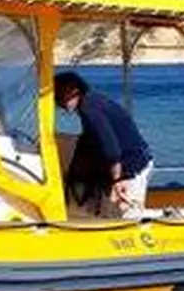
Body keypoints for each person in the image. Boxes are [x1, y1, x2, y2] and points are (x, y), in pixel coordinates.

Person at [53, 71, 152, 218]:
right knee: (112, 214)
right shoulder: (93, 101)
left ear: (74, 91)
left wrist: (118, 180)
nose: (59, 103)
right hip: (135, 161)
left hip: (131, 168)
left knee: (127, 215)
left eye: (59, 96)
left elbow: (110, 147)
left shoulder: (89, 109)